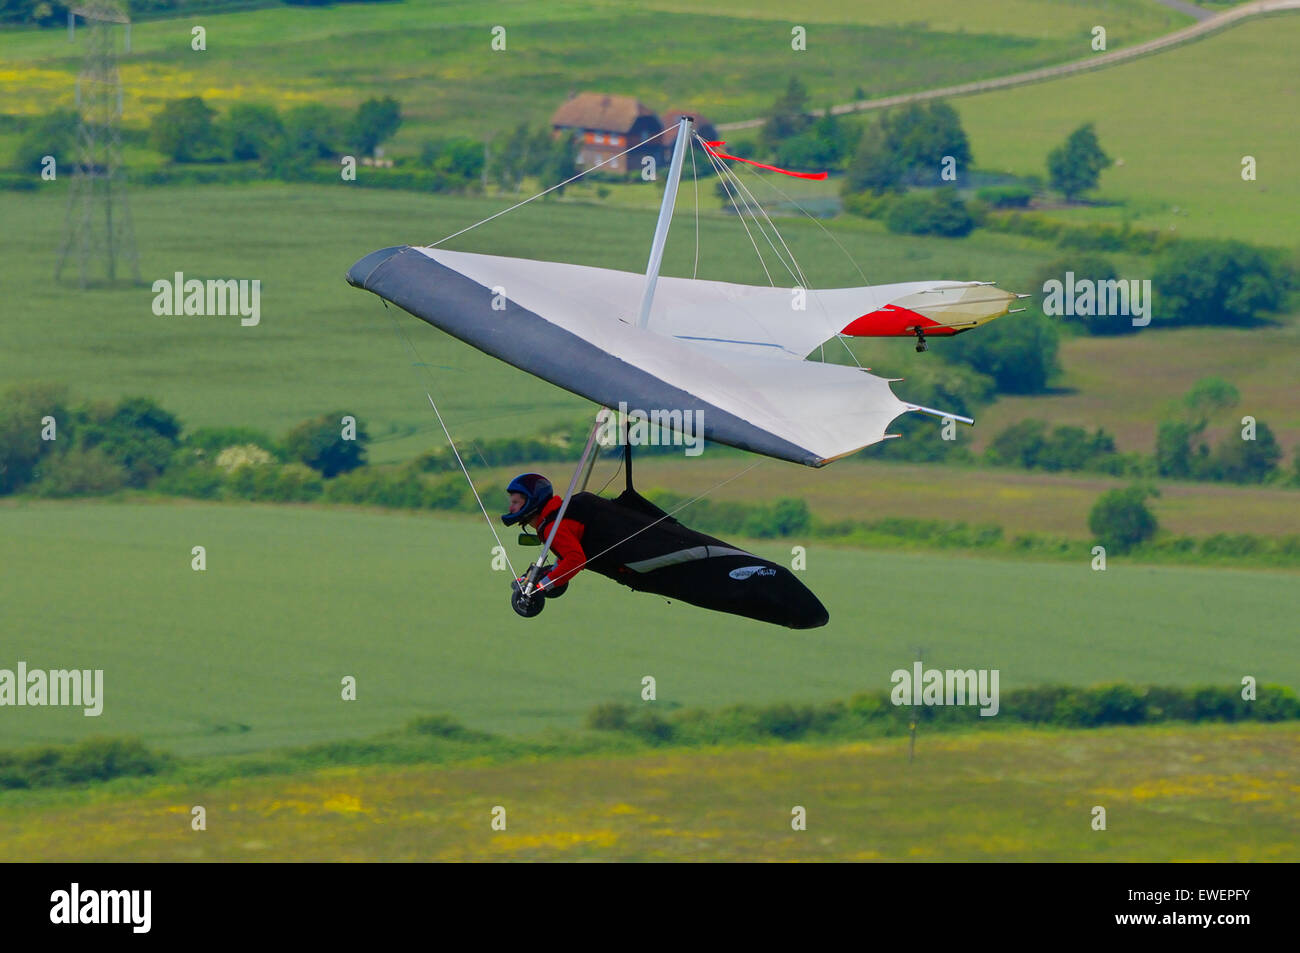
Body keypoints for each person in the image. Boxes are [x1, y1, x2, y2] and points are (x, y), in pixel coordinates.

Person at [501, 472, 583, 597]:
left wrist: (541, 586)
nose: (511, 508)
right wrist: (552, 574)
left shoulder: (553, 526)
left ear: (531, 501)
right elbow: (566, 554)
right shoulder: (549, 521)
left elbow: (576, 558)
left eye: (515, 502)